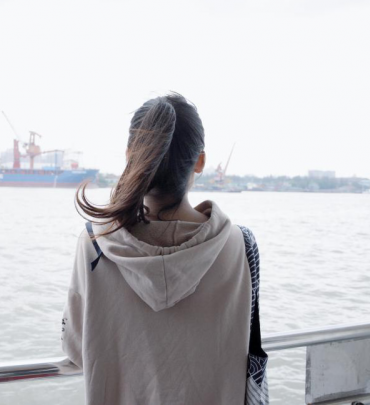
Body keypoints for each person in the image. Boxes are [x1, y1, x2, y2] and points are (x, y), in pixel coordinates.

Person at [61, 93, 268, 405]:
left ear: (131, 156)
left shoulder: (95, 242)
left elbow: (76, 348)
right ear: (200, 161)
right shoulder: (240, 244)